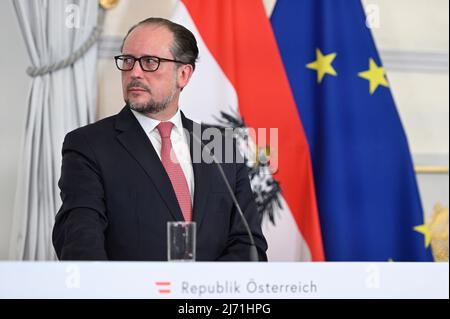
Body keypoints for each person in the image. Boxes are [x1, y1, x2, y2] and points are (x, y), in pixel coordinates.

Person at [52, 17, 268, 261]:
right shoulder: (88, 145)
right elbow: (79, 241)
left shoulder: (219, 145)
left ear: (183, 75)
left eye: (150, 62)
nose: (134, 72)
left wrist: (204, 291)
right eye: (128, 61)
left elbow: (249, 244)